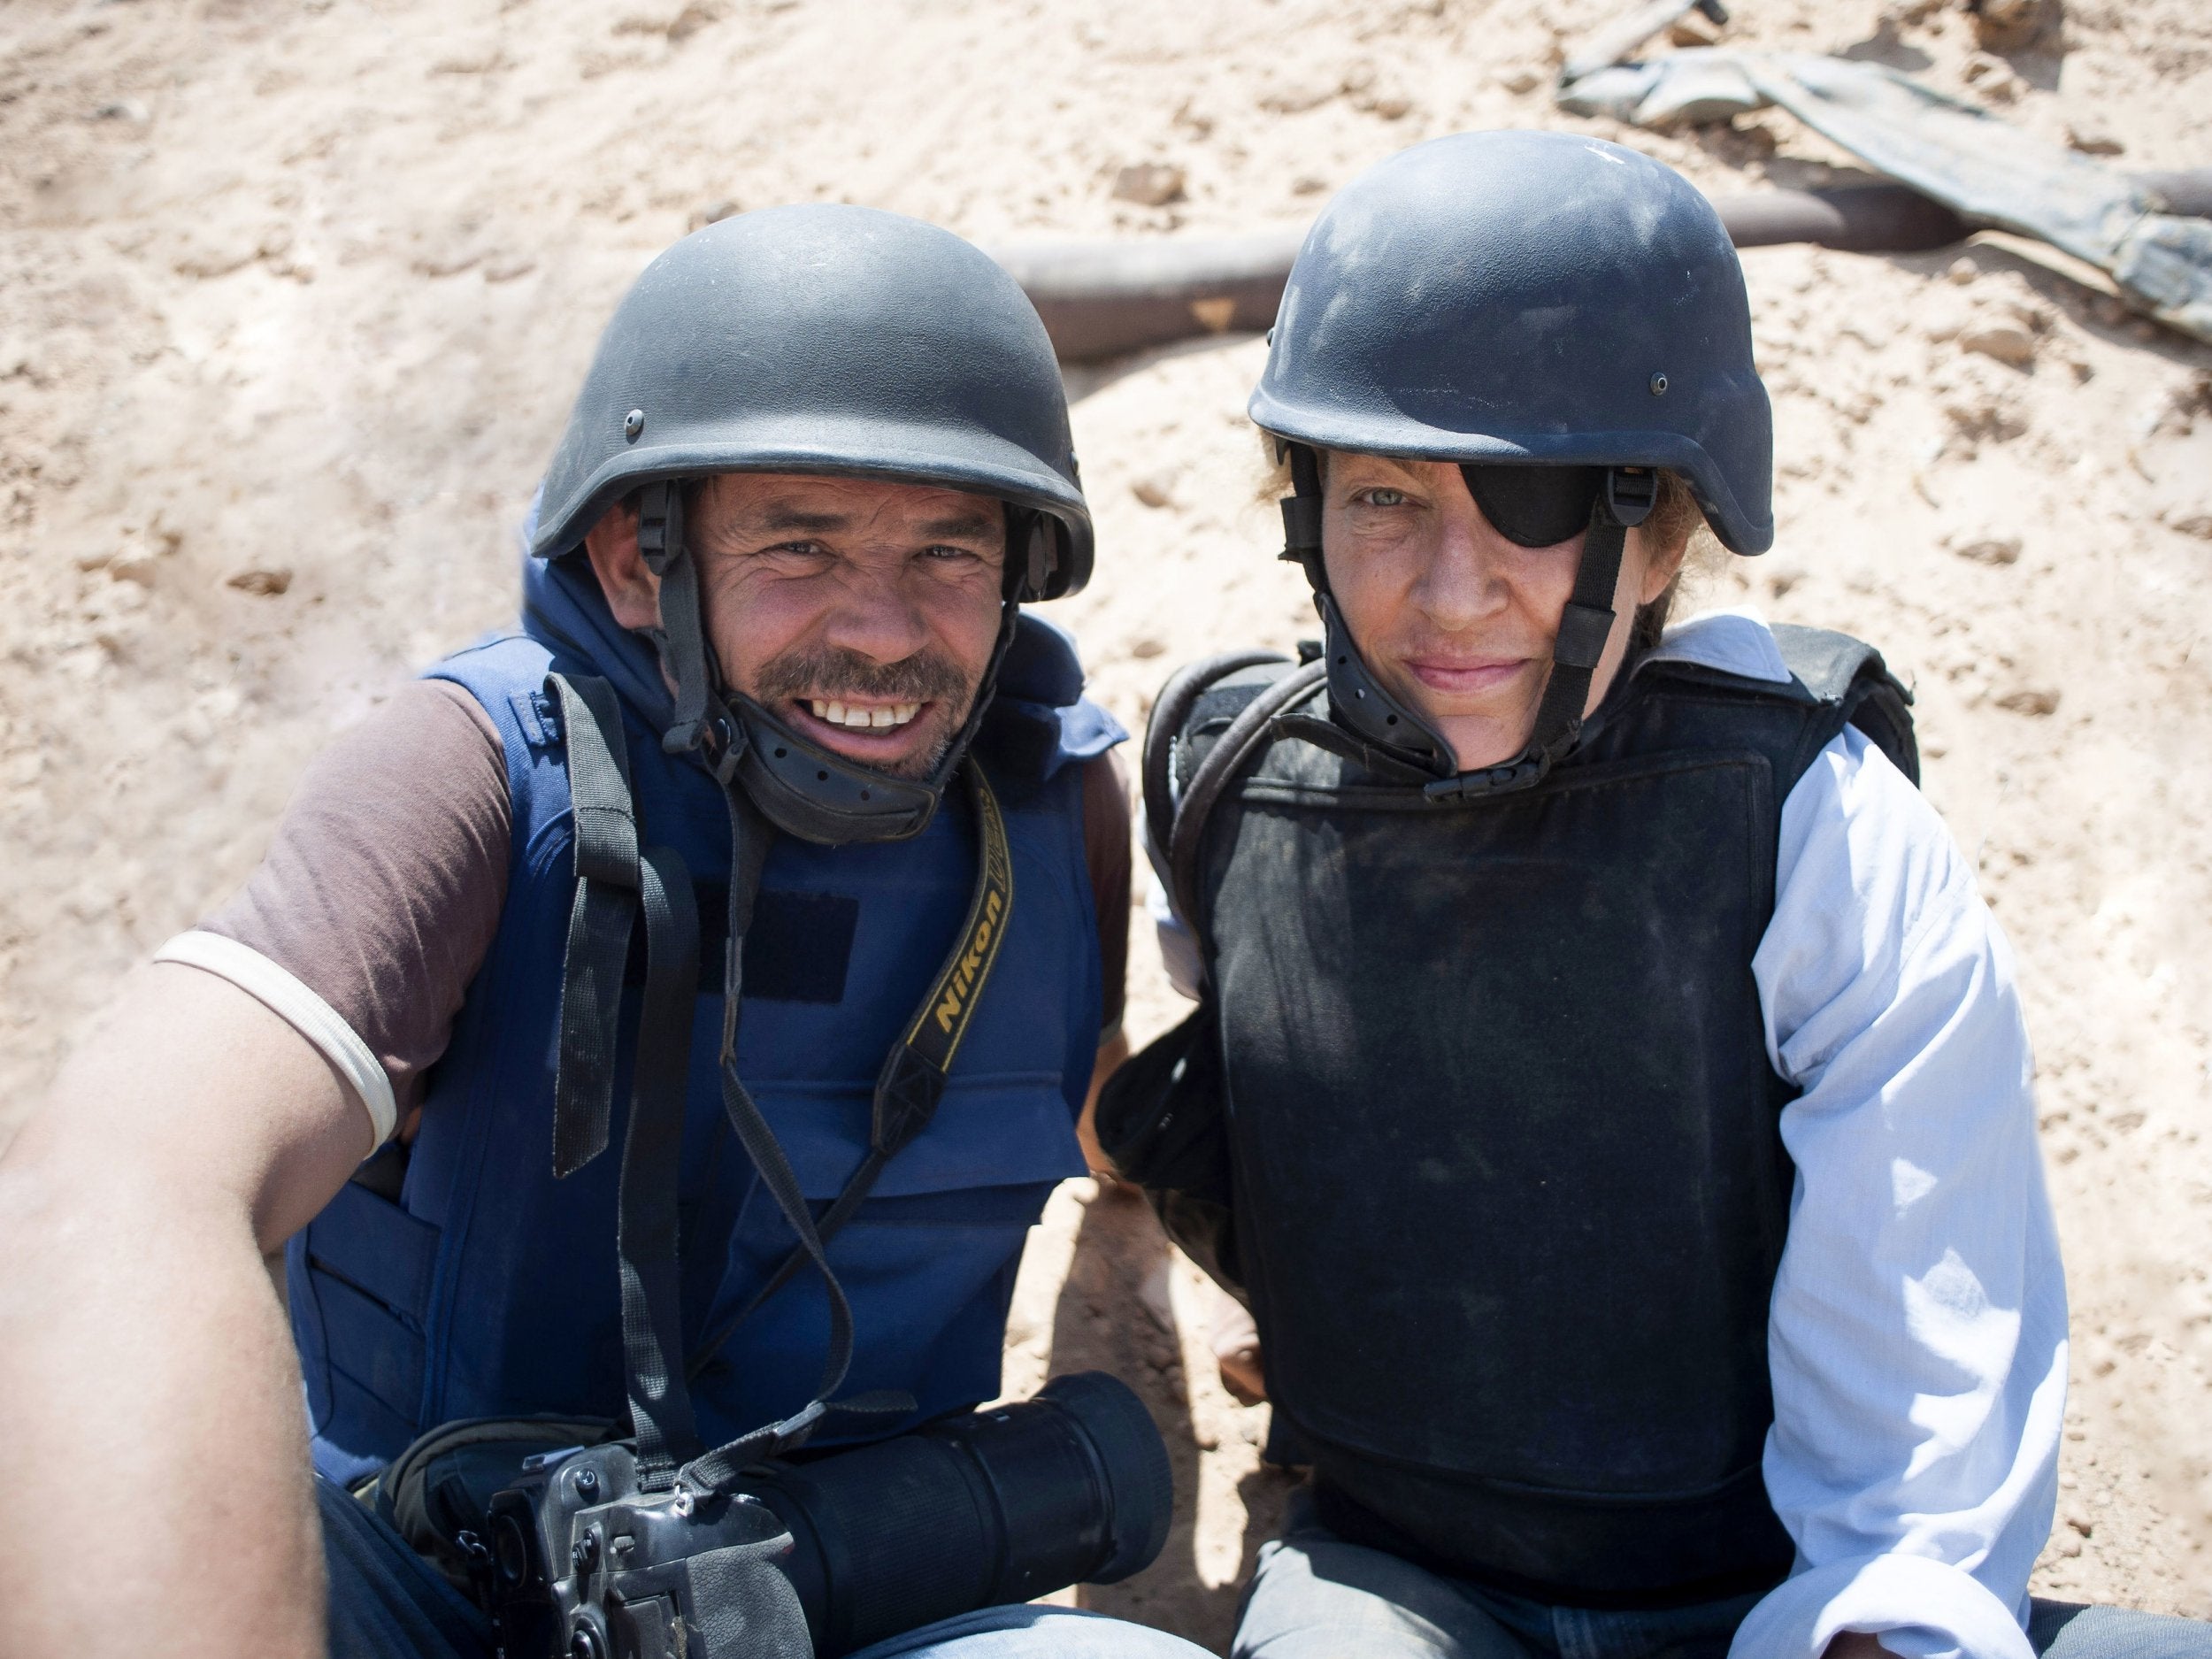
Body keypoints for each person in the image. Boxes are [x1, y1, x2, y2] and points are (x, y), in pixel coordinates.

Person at [0, 205, 1209, 1659]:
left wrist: (1144, 1264)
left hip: (846, 1590)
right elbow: (128, 1173)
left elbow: (1097, 1122)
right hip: (432, 1597)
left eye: (948, 553)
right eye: (803, 546)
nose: (886, 633)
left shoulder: (1050, 799)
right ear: (641, 564)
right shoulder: (480, 772)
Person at [1114, 132, 2212, 1659]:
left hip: (1775, 1578)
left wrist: (1872, 1624)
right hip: (1399, 1571)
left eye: (1536, 501)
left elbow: (1919, 1381)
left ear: (1669, 521)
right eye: (1381, 500)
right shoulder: (1231, 783)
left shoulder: (1811, 826)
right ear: (1302, 510)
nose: (1449, 591)